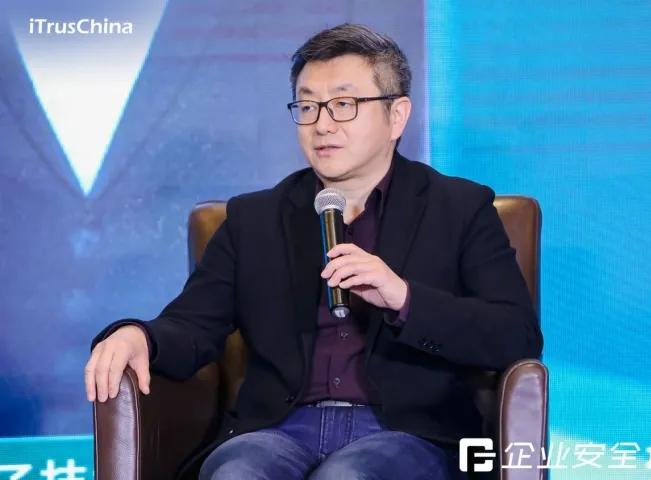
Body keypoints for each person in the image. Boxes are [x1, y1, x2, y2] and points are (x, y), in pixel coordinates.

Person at [84, 23, 543, 480]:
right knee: (236, 474)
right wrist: (138, 335)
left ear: (397, 116)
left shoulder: (459, 208)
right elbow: (193, 325)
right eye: (307, 106)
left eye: (344, 104)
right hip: (277, 429)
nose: (322, 124)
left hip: (406, 434)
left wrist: (404, 298)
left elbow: (515, 334)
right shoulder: (254, 219)